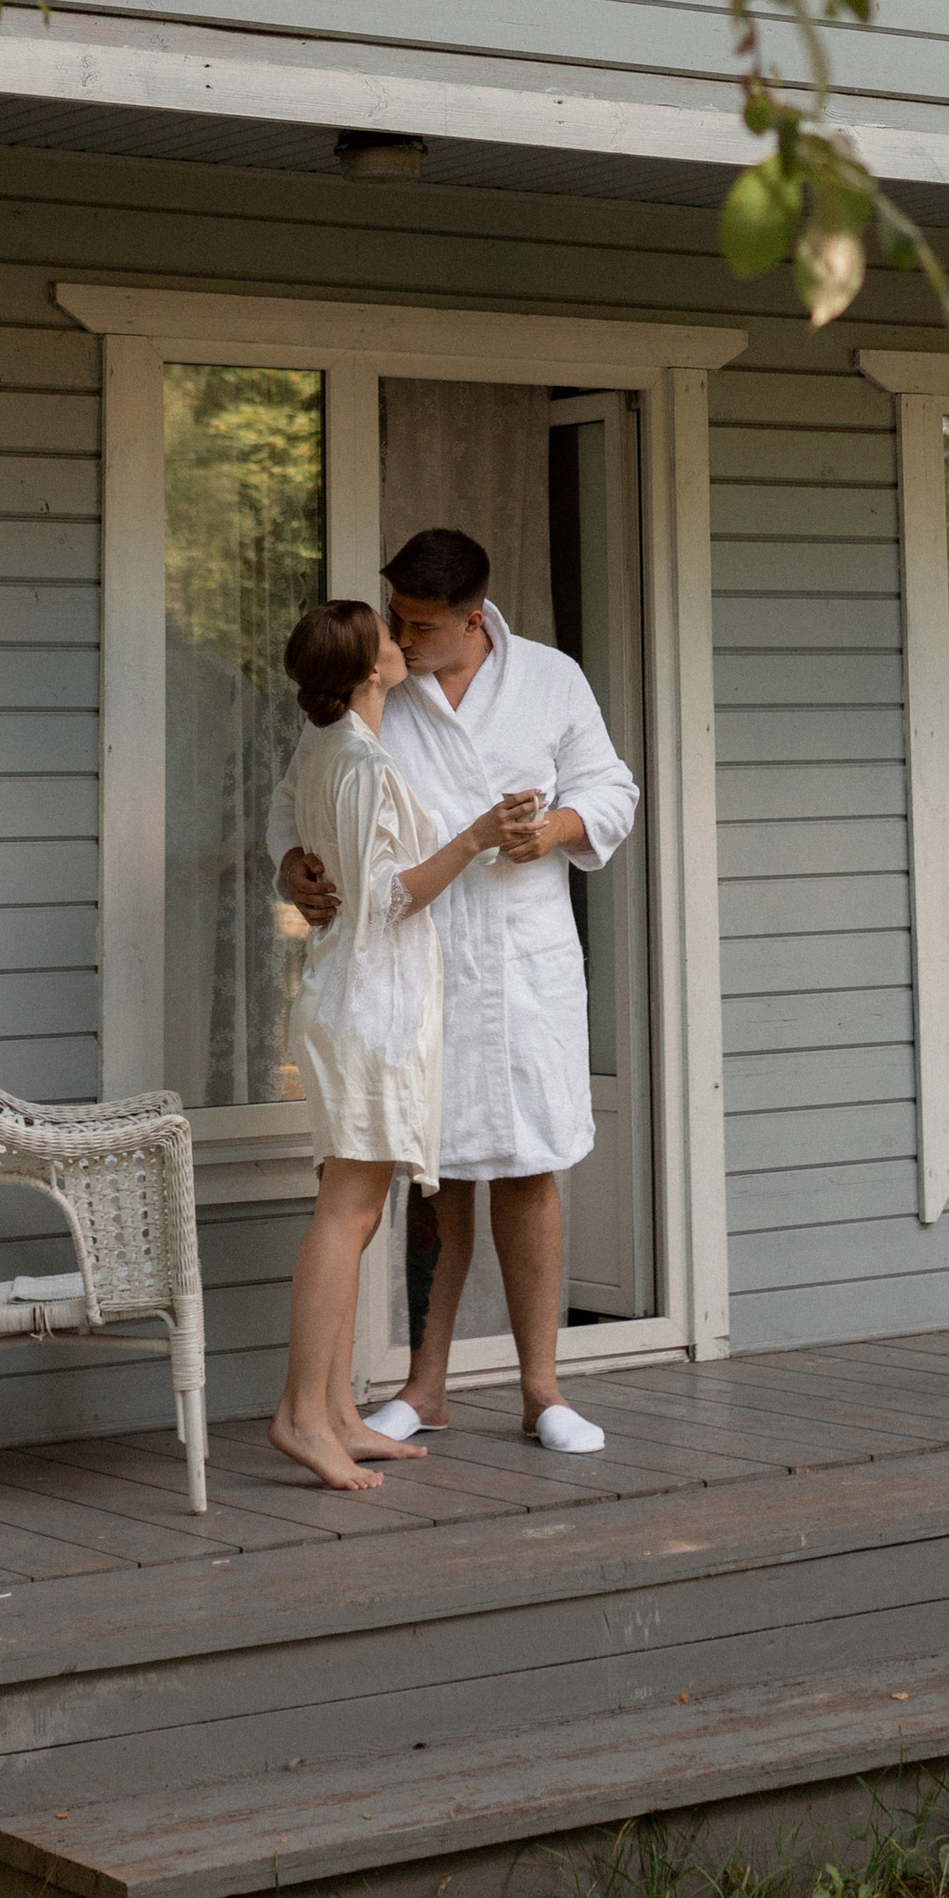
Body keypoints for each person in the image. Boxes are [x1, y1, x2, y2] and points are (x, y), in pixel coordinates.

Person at [272, 524, 639, 1456]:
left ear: (475, 618)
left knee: (526, 1164)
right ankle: (422, 1386)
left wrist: (553, 828)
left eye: (422, 623)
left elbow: (612, 788)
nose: (403, 633)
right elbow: (297, 795)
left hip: (519, 961)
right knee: (430, 1179)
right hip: (411, 966)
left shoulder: (552, 678)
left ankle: (542, 1388)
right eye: (396, 615)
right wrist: (294, 867)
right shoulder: (379, 689)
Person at [266, 596, 527, 1496]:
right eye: (387, 634)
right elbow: (385, 900)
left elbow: (325, 865)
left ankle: (339, 1411)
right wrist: (478, 836)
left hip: (354, 998)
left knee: (360, 1211)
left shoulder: (331, 749)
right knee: (346, 1211)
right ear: (371, 668)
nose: (399, 639)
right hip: (371, 1005)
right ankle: (304, 1415)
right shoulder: (364, 763)